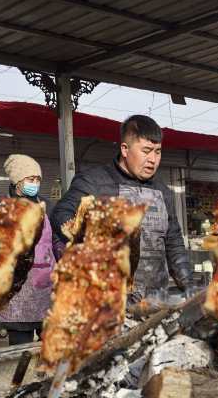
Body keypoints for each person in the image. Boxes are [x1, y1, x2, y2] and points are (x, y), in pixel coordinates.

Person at [50, 115, 192, 302]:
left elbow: (174, 243)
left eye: (157, 152)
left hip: (154, 302)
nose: (153, 159)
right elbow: (61, 214)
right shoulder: (94, 182)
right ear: (125, 149)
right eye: (146, 151)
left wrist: (188, 284)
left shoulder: (162, 191)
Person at [0, 154, 56, 346]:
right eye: (31, 179)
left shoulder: (46, 205)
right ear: (17, 181)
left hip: (45, 285)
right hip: (19, 290)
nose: (35, 183)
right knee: (20, 347)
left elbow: (55, 240)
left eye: (38, 179)